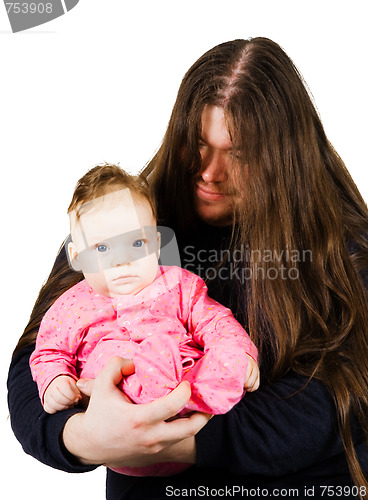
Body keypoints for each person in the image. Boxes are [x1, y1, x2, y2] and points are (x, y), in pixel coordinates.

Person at [8, 36, 368, 499]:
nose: (210, 172)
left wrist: (165, 439)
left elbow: (342, 399)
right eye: (198, 144)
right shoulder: (123, 223)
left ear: (284, 160)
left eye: (238, 154)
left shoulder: (345, 242)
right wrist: (85, 437)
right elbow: (36, 357)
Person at [29, 164, 259, 477]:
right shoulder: (70, 306)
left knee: (222, 356)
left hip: (189, 394)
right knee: (123, 364)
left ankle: (197, 389)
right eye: (103, 248)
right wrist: (54, 381)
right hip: (119, 416)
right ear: (77, 255)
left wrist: (239, 353)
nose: (122, 260)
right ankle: (154, 385)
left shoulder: (178, 285)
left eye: (137, 244)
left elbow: (214, 321)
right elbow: (48, 353)